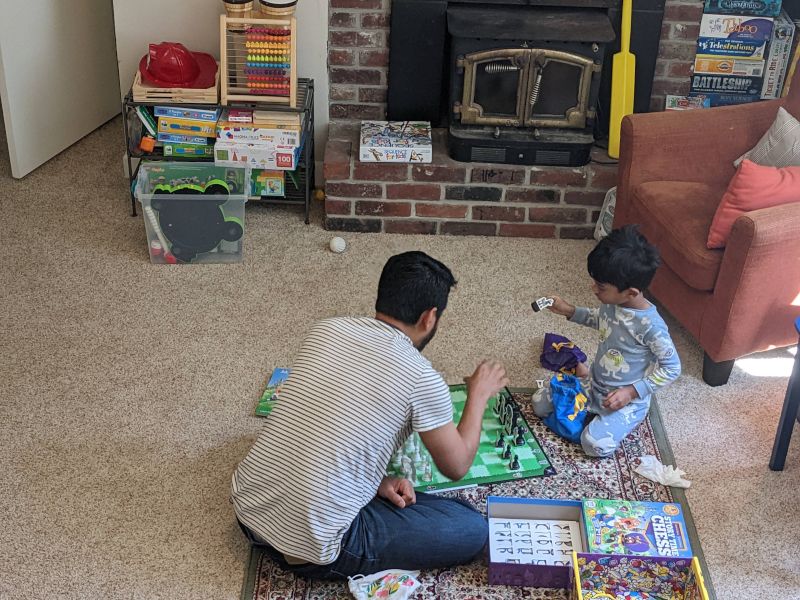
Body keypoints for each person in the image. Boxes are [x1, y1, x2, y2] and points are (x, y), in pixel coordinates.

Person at [231, 251, 508, 579]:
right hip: (311, 551)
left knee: (415, 500)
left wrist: (374, 481)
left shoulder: (325, 329)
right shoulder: (422, 378)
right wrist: (478, 394)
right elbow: (457, 465)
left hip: (247, 509)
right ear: (430, 317)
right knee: (471, 527)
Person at [533, 225, 681, 458]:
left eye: (600, 286)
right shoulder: (613, 304)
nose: (593, 289)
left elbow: (672, 368)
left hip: (625, 400)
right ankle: (585, 388)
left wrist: (632, 392)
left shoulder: (652, 327)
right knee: (539, 404)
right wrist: (568, 310)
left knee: (593, 445)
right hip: (594, 384)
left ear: (631, 292)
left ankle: (631, 414)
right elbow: (600, 319)